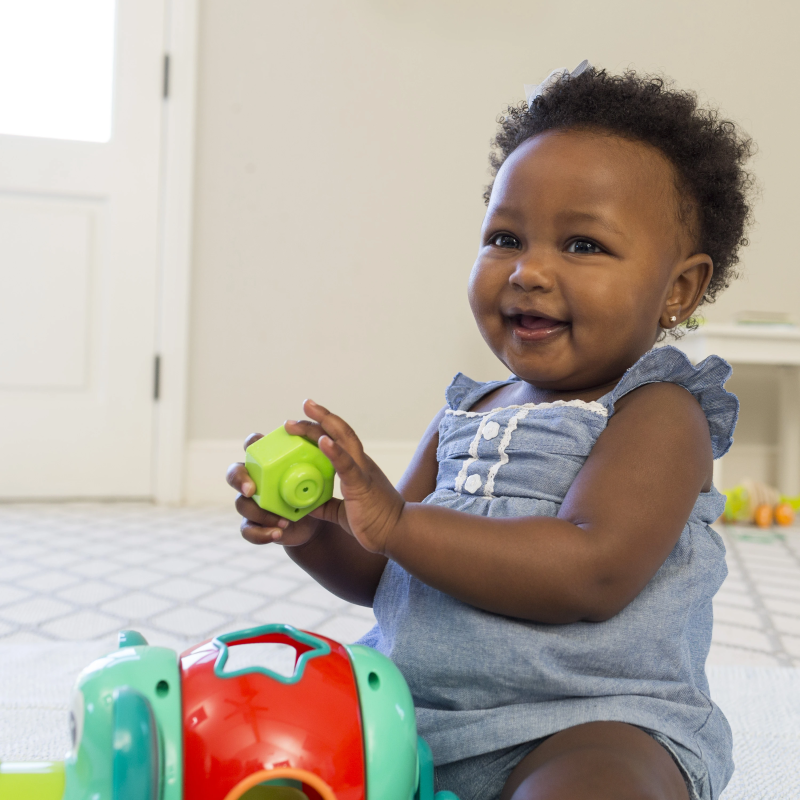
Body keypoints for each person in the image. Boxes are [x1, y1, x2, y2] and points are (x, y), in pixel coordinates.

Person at [227, 64, 754, 800]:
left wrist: (401, 523)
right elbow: (381, 569)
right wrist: (319, 527)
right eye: (506, 237)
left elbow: (589, 571)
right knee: (266, 738)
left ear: (678, 290)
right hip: (405, 714)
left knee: (597, 788)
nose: (529, 271)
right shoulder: (468, 413)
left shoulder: (660, 411)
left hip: (587, 723)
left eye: (582, 246)